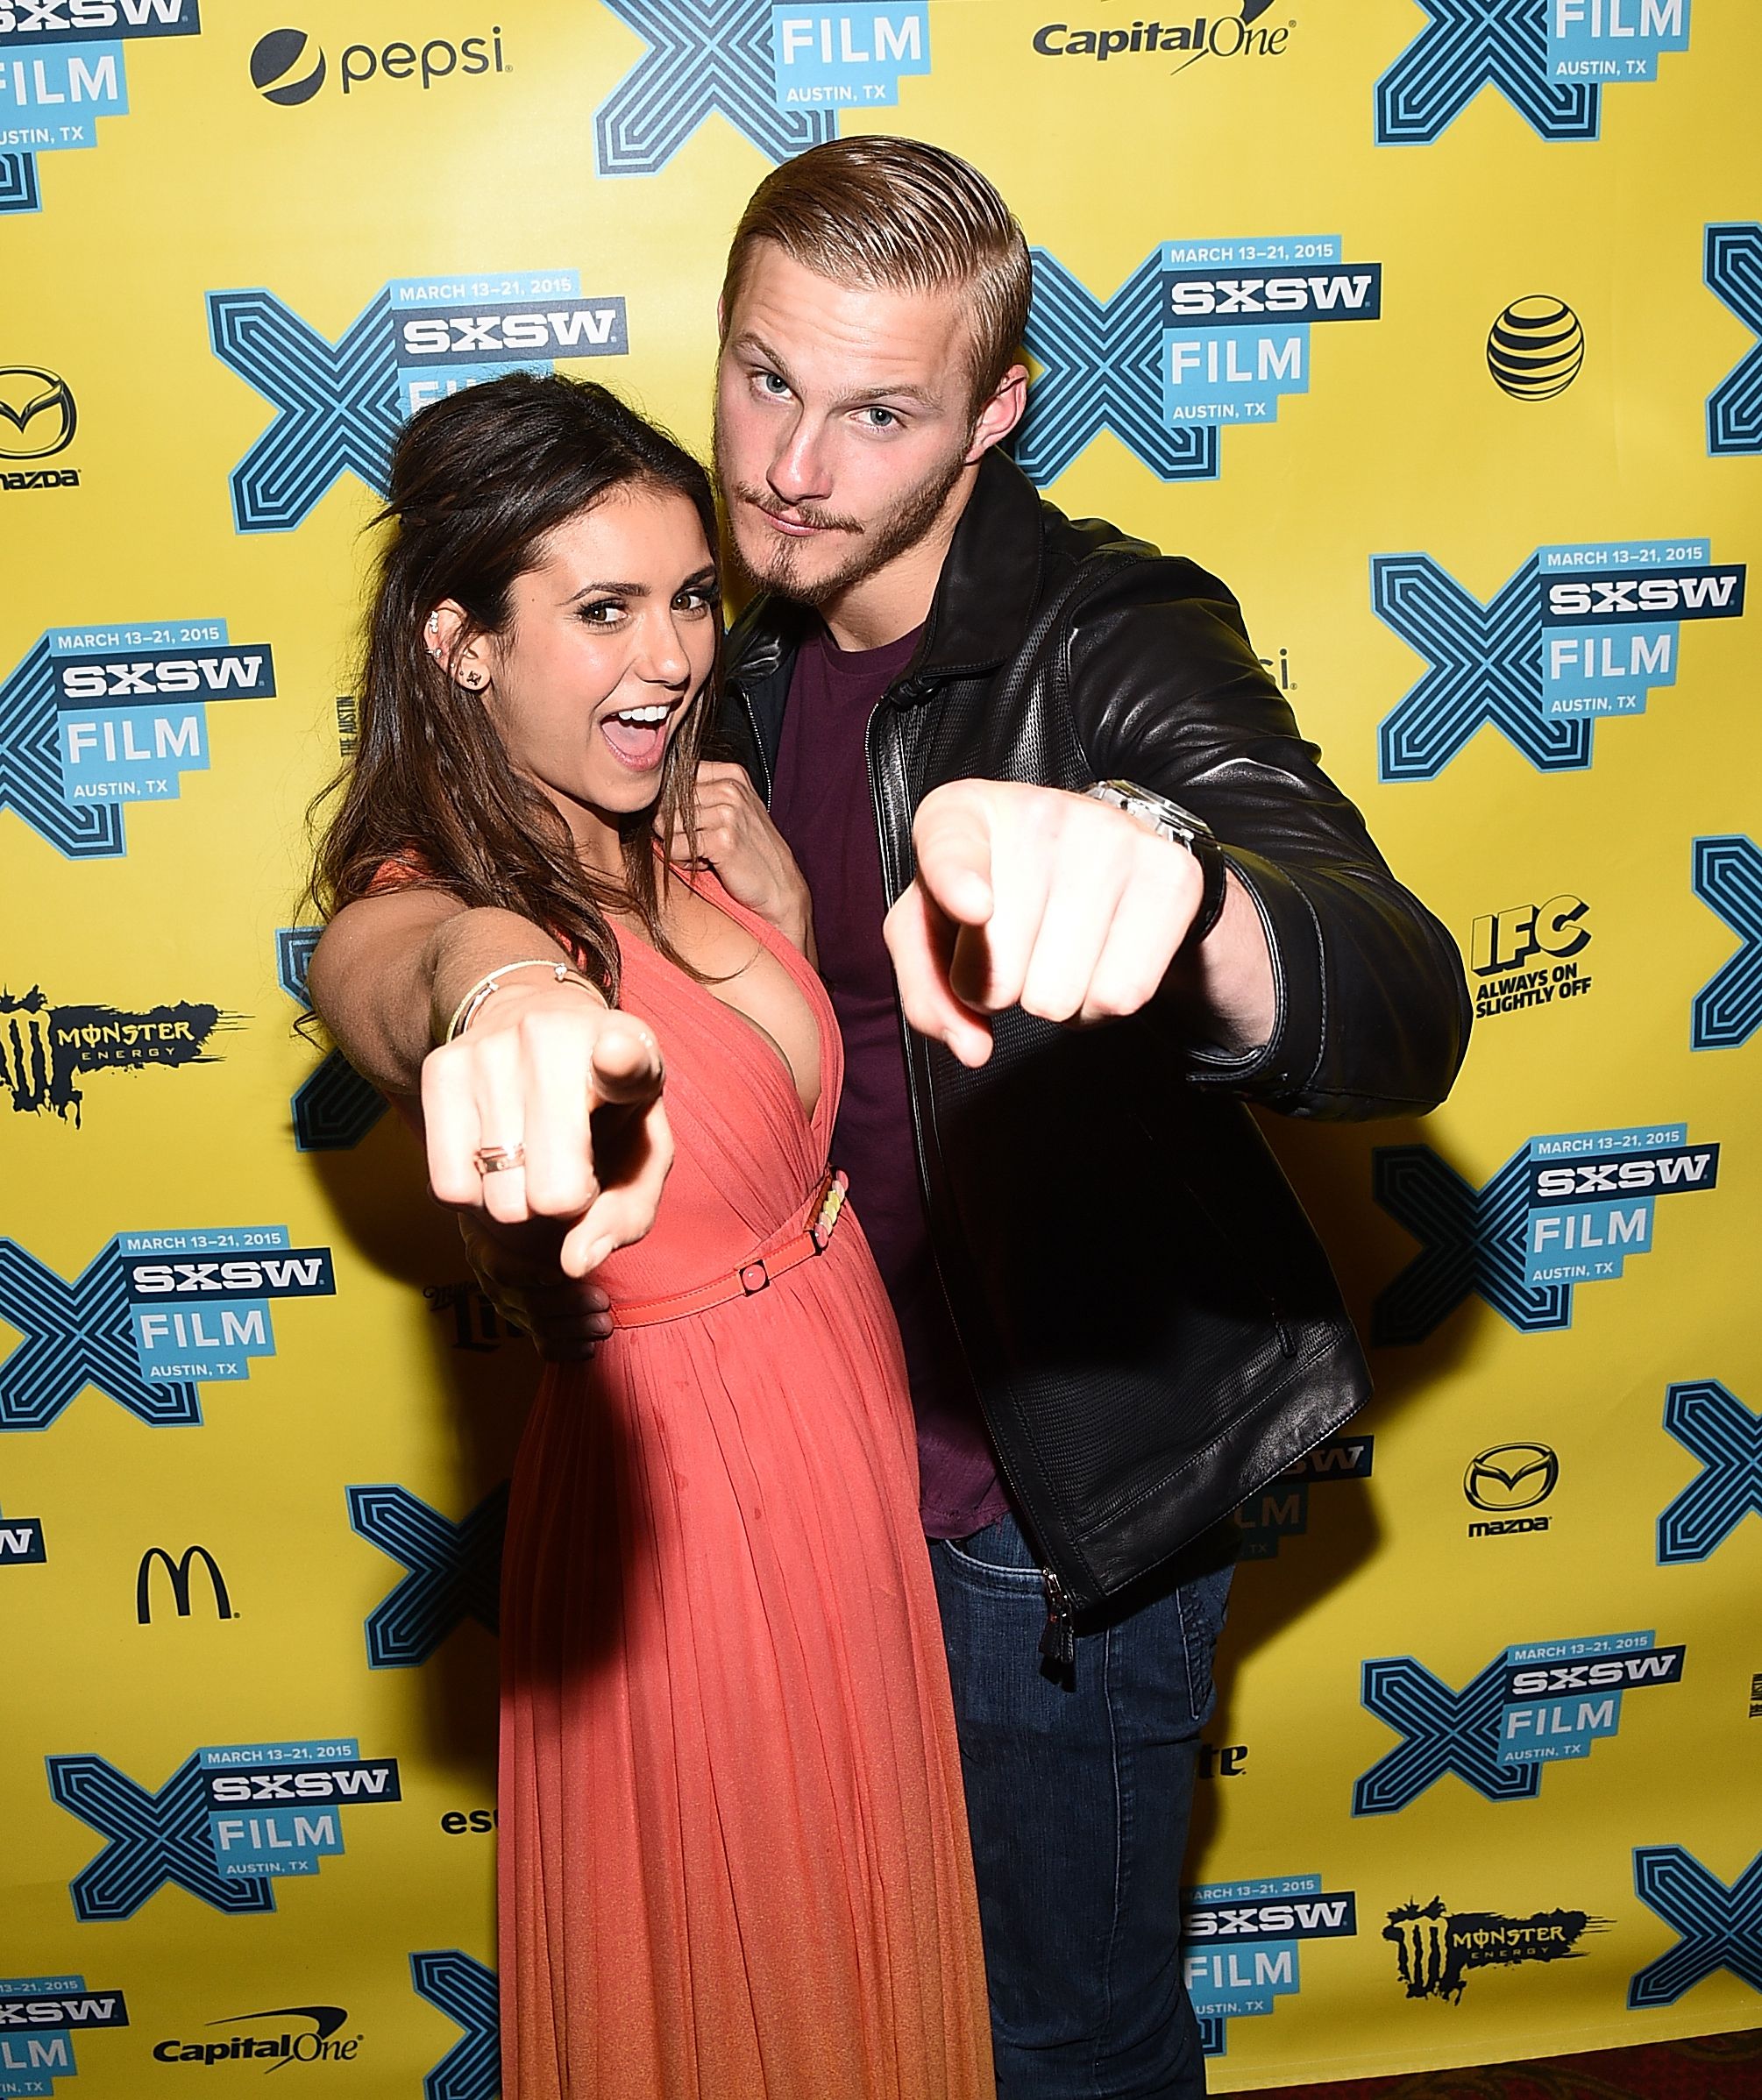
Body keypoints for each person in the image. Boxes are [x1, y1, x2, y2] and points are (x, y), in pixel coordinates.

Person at [448, 138, 1473, 2100]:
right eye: (764, 377)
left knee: (1057, 2037)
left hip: (1037, 1507)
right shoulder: (729, 641)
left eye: (879, 413)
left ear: (995, 413)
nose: (789, 468)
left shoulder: (1108, 635)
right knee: (871, 2005)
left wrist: (1183, 889)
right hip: (813, 1477)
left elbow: (1396, 983)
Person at [305, 372, 994, 2100]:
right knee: (735, 1980)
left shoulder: (689, 827)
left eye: (689, 598)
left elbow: (781, 1113)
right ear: (463, 643)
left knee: (855, 1939)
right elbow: (406, 975)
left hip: (838, 1424)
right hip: (685, 1500)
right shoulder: (422, 899)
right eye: (602, 609)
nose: (675, 654)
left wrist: (785, 914)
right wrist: (508, 993)